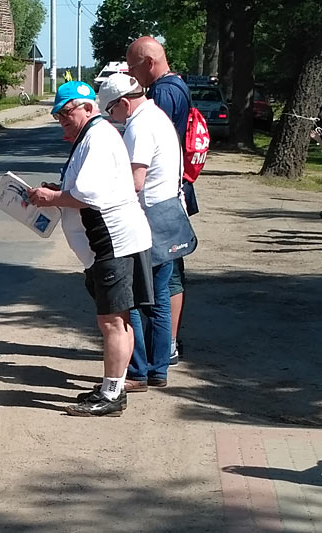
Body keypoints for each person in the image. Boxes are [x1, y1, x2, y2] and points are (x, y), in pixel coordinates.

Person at [27, 81, 154, 417]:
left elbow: (88, 196)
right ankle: (113, 387)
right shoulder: (93, 136)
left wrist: (52, 197)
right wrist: (60, 190)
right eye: (58, 115)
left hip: (111, 243)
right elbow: (86, 188)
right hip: (113, 243)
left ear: (88, 107)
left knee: (111, 322)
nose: (62, 119)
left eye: (68, 111)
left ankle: (112, 395)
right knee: (119, 320)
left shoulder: (97, 137)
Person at [99, 73, 182, 391]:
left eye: (110, 111)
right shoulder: (157, 117)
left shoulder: (138, 126)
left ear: (122, 103)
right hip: (168, 214)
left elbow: (134, 181)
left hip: (147, 219)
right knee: (159, 298)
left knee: (127, 299)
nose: (112, 119)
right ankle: (157, 369)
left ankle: (136, 370)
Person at [127, 36, 192, 366]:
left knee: (165, 281)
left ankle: (164, 347)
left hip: (159, 198)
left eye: (133, 67)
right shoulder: (176, 86)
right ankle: (165, 347)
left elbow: (151, 146)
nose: (131, 74)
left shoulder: (162, 95)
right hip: (171, 192)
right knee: (168, 278)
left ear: (149, 63)